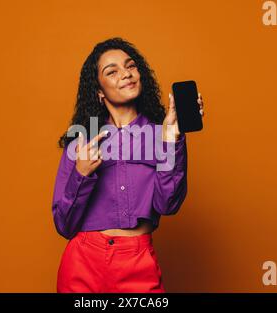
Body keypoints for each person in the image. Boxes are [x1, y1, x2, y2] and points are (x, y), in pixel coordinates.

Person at [52, 37, 204, 293]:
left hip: (138, 261)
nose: (126, 74)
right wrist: (81, 173)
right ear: (99, 91)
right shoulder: (82, 143)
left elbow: (168, 205)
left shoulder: (163, 135)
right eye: (112, 72)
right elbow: (64, 225)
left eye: (130, 66)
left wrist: (172, 140)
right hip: (83, 263)